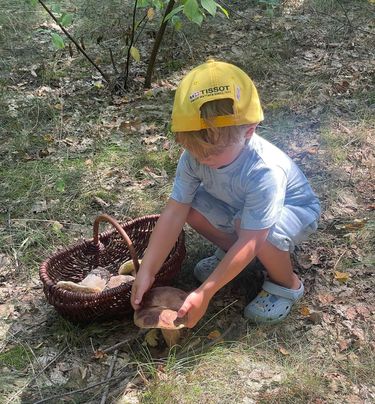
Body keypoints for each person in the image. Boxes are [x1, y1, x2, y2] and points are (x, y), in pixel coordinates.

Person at [130, 59, 320, 327]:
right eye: (195, 151)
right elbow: (174, 212)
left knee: (255, 231)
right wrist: (148, 268)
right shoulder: (194, 155)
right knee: (189, 206)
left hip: (293, 212)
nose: (203, 159)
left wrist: (206, 291)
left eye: (214, 153)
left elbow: (253, 238)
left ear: (249, 132)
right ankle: (238, 261)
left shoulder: (264, 170)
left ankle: (287, 284)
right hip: (239, 209)